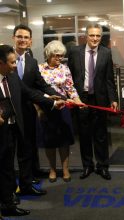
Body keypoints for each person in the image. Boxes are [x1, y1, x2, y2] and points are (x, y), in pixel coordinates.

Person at [0, 44, 65, 217]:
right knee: (3, 167)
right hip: (1, 130)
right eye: (12, 63)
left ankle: (8, 202)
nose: (15, 66)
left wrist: (51, 102)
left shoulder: (12, 77)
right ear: (1, 63)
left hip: (15, 125)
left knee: (9, 165)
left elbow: (29, 92)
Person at [12, 24, 63, 196]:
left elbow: (41, 84)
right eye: (20, 36)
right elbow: (23, 90)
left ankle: (26, 184)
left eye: (26, 37)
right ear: (14, 38)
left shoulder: (32, 62)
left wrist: (57, 96)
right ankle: (9, 191)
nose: (23, 40)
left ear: (31, 41)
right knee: (7, 152)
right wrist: (50, 103)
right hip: (7, 112)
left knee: (27, 150)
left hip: (26, 111)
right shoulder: (5, 58)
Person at [68, 23, 118, 180]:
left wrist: (113, 99)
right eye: (92, 35)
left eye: (98, 35)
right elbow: (69, 77)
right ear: (85, 36)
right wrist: (71, 96)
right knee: (84, 134)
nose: (95, 38)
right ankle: (87, 166)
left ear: (101, 37)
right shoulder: (75, 52)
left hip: (100, 99)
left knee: (101, 134)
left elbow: (109, 79)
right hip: (81, 99)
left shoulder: (106, 52)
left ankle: (102, 166)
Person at [38, 40, 83, 182]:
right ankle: (52, 169)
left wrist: (78, 101)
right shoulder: (39, 69)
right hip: (46, 109)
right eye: (56, 56)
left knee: (64, 141)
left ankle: (65, 169)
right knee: (49, 141)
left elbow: (71, 88)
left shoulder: (64, 68)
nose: (59, 59)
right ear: (48, 54)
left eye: (61, 56)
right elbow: (37, 90)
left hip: (63, 108)